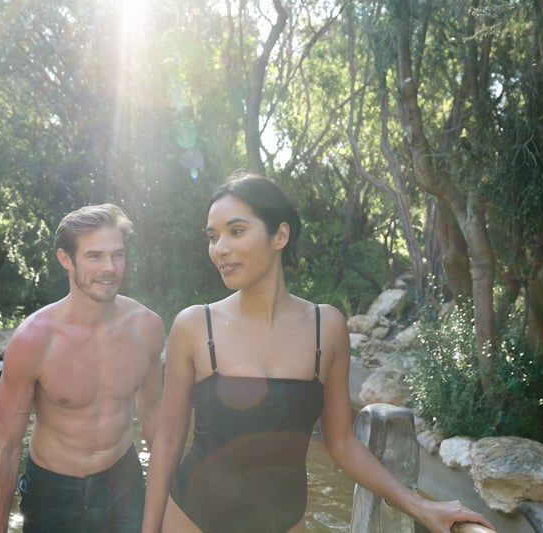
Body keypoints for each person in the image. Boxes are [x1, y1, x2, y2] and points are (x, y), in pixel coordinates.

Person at [142, 171, 496, 533]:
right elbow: (167, 442)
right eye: (213, 236)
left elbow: (341, 442)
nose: (220, 248)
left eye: (236, 231)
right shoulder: (194, 326)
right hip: (193, 520)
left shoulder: (325, 327)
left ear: (280, 235)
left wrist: (421, 506)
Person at [0, 203, 165, 533]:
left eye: (117, 255)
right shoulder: (34, 340)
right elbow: (6, 447)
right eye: (95, 256)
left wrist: (169, 498)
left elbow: (153, 415)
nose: (109, 268)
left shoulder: (146, 327)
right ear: (66, 259)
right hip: (53, 493)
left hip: (124, 483)